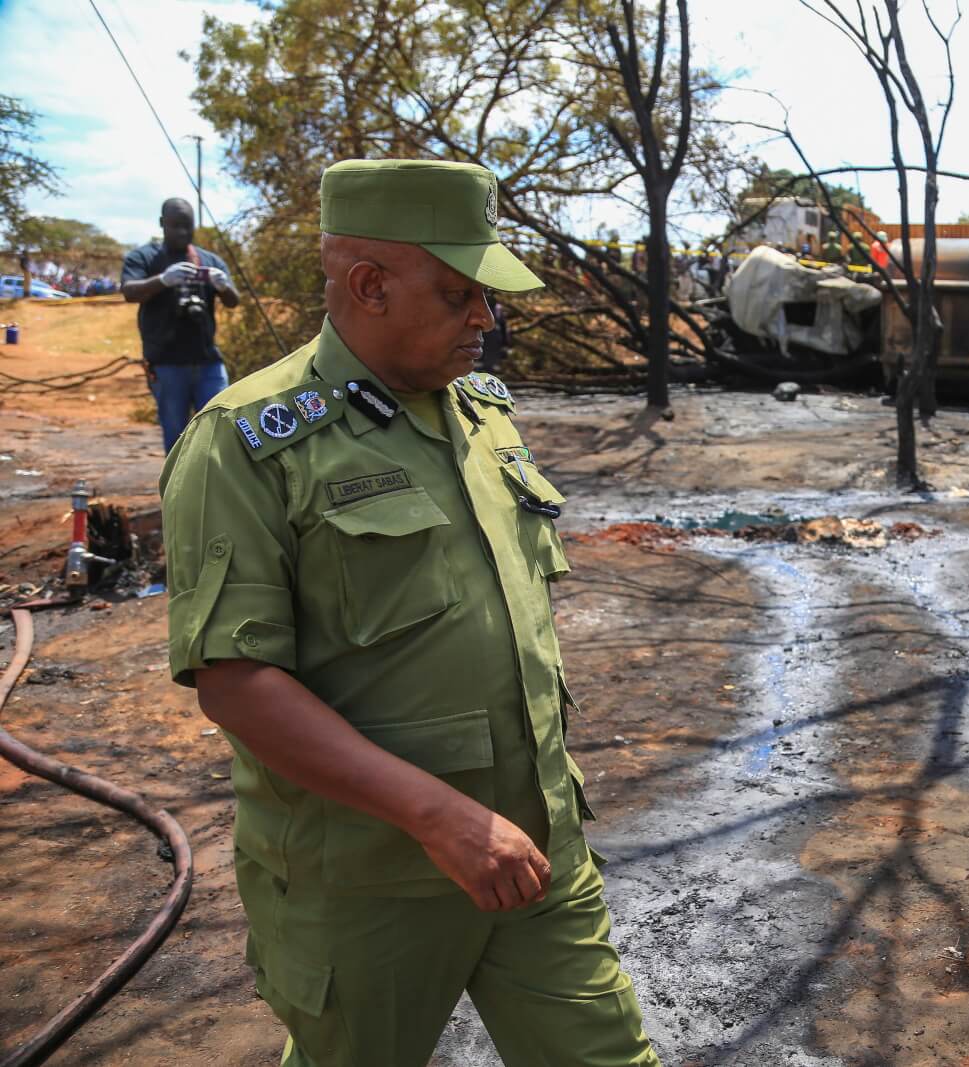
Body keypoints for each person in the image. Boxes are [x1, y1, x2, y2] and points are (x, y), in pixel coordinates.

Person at [160, 159, 661, 1067]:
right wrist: (440, 817)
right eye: (461, 292)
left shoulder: (481, 416)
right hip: (369, 882)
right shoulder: (245, 443)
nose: (487, 317)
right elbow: (236, 682)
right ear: (369, 285)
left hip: (534, 851)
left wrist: (508, 818)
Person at [122, 197, 240, 451]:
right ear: (162, 224)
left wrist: (222, 285)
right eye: (176, 226)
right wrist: (163, 280)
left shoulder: (209, 260)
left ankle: (216, 489)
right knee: (176, 438)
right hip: (166, 363)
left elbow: (233, 301)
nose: (182, 232)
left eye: (188, 226)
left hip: (207, 360)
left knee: (221, 430)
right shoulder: (144, 257)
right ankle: (177, 491)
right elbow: (130, 292)